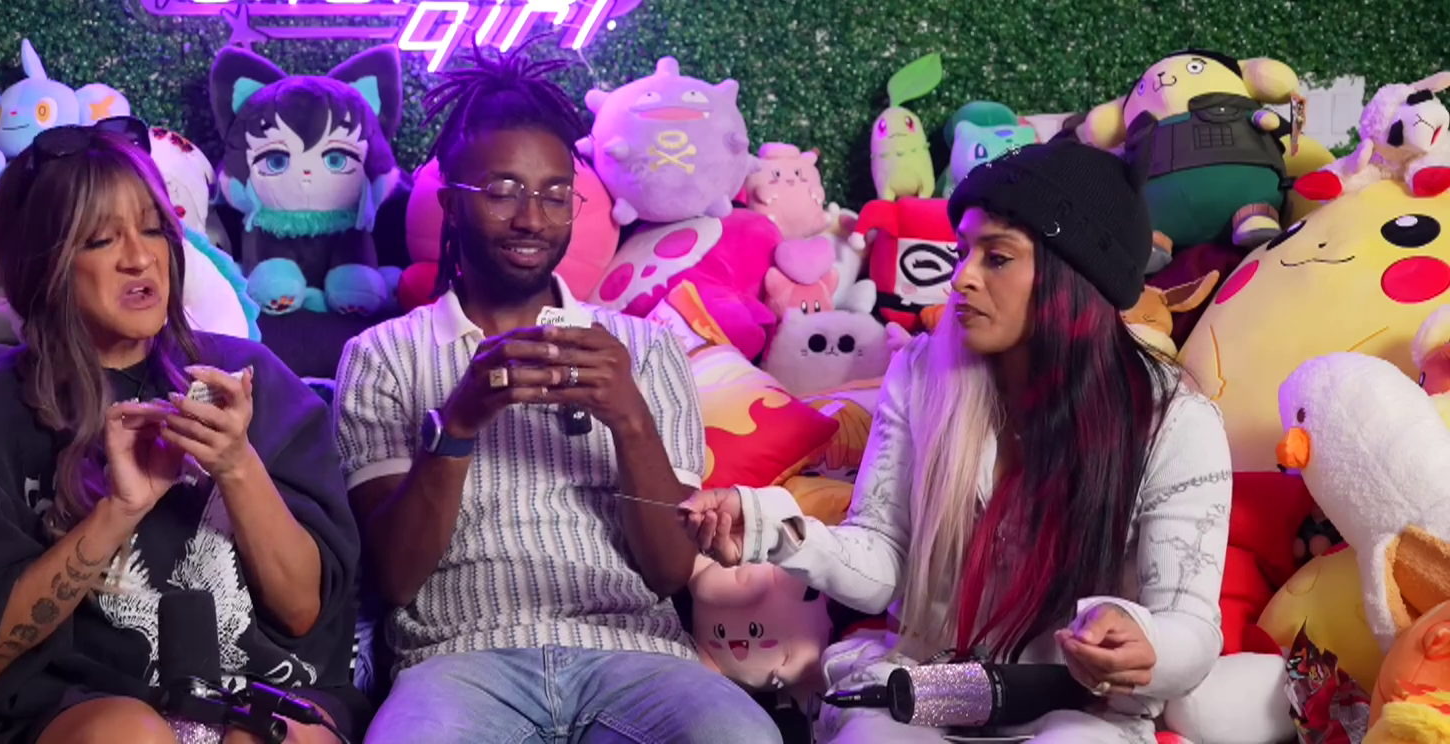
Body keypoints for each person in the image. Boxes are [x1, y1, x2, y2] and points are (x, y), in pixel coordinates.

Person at [683, 140, 1234, 742]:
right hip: (934, 682)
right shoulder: (923, 374)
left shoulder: (1174, 422)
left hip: (1083, 708)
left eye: (997, 257)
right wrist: (773, 528)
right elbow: (883, 557)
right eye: (962, 251)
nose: (961, 278)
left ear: (1072, 278)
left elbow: (1192, 630)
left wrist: (1144, 643)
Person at [335, 41, 784, 744]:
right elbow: (394, 578)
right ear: (450, 204)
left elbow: (670, 571)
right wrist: (459, 422)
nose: (532, 219)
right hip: (459, 659)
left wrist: (630, 418)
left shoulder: (644, 348)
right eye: (503, 191)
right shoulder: (382, 355)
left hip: (636, 656)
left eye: (553, 194)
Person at [0, 118, 362, 744]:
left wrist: (237, 465)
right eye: (100, 240)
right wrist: (118, 511)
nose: (141, 258)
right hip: (95, 712)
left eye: (153, 229)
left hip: (268, 693)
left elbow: (305, 613)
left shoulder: (250, 381)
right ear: (43, 264)